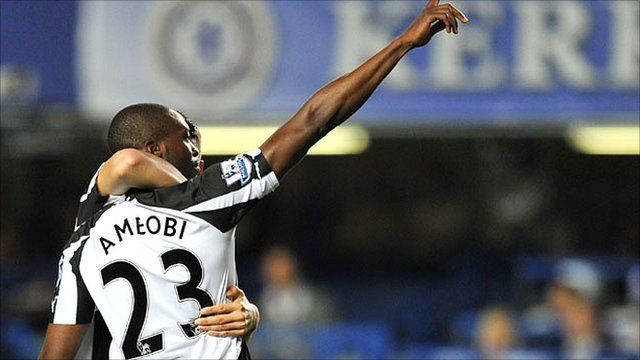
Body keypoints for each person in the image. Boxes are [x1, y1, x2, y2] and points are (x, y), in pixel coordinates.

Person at [40, 1, 468, 358]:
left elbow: (55, 355)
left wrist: (251, 316)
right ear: (156, 149)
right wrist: (403, 44)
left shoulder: (83, 238)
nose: (199, 153)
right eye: (188, 138)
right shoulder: (211, 194)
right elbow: (314, 120)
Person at [67, 124, 261, 357]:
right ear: (155, 151)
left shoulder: (195, 230)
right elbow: (126, 162)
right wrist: (198, 193)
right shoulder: (101, 210)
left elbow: (201, 317)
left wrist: (248, 315)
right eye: (191, 150)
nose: (199, 163)